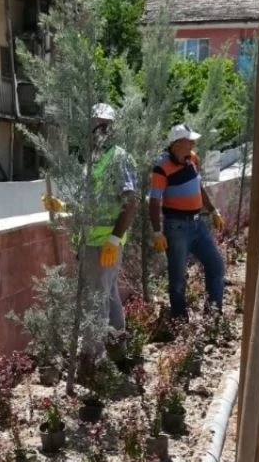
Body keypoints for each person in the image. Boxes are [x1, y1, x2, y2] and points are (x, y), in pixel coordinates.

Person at [148, 123, 226, 319]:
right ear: (176, 144)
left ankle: (213, 315)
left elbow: (198, 187)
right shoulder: (161, 167)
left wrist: (213, 210)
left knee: (216, 265)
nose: (192, 143)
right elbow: (154, 201)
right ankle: (179, 319)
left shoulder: (192, 159)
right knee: (177, 279)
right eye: (188, 140)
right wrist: (157, 231)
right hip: (176, 227)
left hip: (197, 224)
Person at [81, 102, 137, 365]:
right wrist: (62, 205)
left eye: (104, 125)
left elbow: (130, 202)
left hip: (105, 243)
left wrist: (114, 238)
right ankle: (118, 349)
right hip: (91, 242)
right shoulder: (93, 160)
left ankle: (94, 358)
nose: (99, 130)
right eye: (95, 124)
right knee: (108, 296)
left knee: (97, 301)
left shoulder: (118, 157)